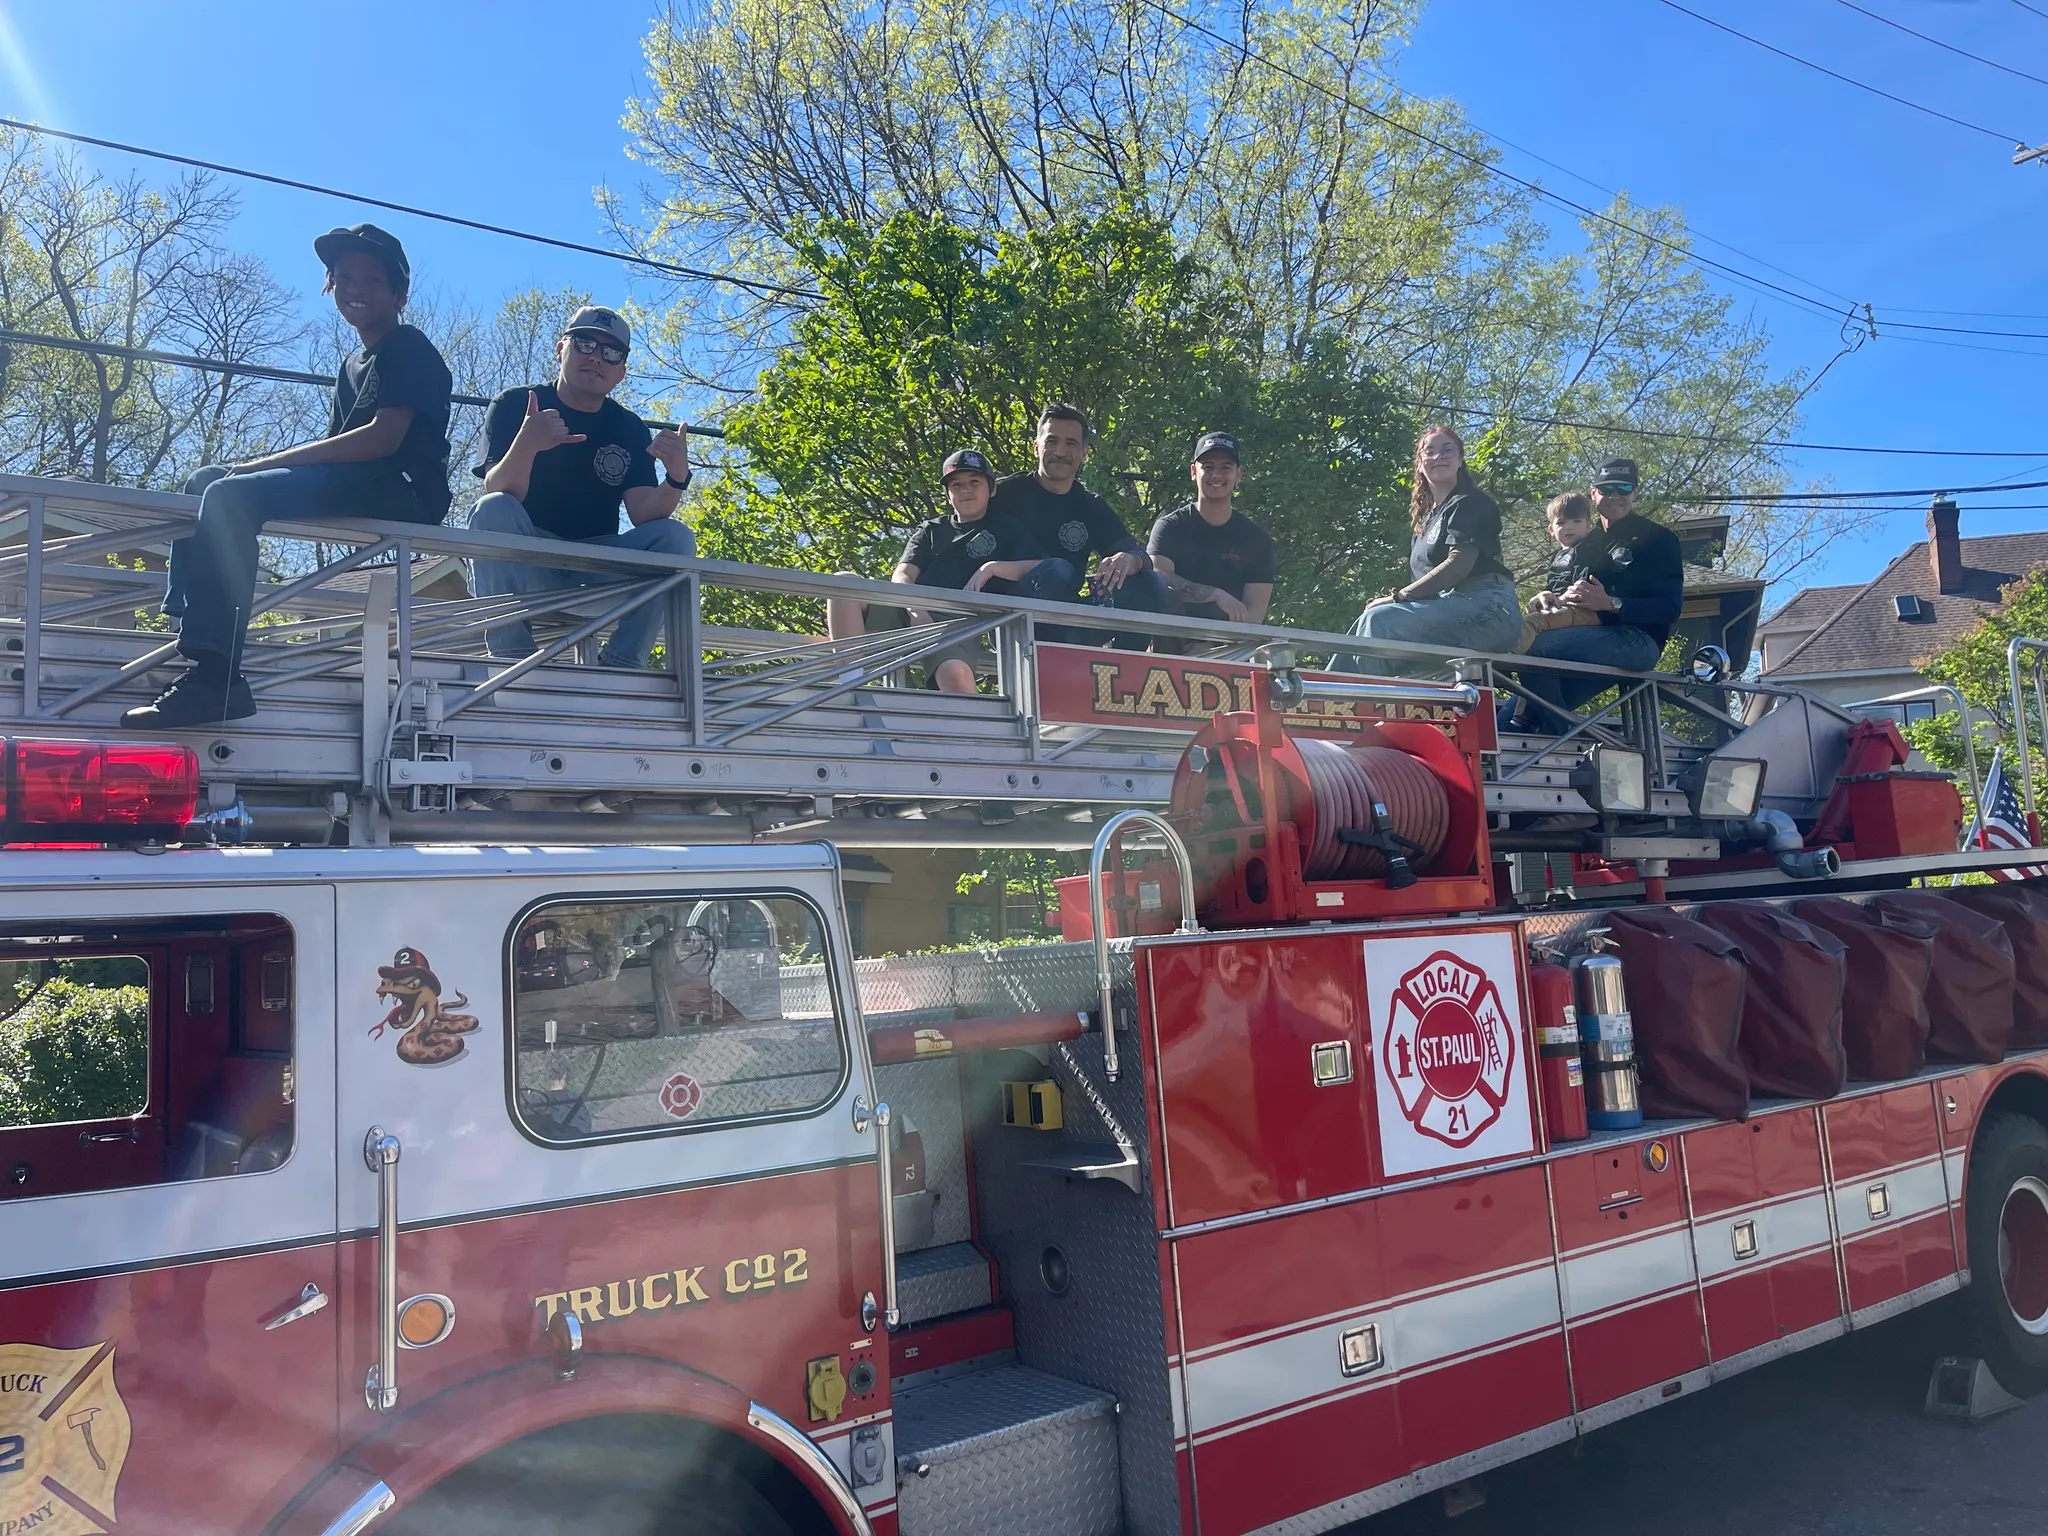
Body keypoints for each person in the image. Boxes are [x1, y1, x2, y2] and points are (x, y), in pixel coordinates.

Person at [124, 223, 452, 729]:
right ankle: (189, 614)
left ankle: (217, 678)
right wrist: (258, 468)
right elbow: (333, 452)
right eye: (344, 278)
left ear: (400, 293)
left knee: (232, 496)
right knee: (205, 480)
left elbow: (382, 439)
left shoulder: (407, 346)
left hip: (403, 486)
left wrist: (264, 464)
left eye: (372, 280)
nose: (356, 290)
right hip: (364, 479)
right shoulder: (352, 364)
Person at [466, 307, 697, 668]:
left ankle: (622, 665)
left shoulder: (629, 427)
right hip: (526, 567)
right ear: (561, 349)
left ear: (621, 371)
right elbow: (497, 494)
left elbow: (644, 514)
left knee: (677, 538)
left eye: (611, 352)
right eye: (585, 343)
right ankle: (512, 659)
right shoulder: (515, 404)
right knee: (492, 508)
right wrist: (527, 442)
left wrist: (676, 477)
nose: (596, 358)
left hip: (596, 572)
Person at [827, 449, 1076, 694]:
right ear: (948, 494)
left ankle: (980, 732)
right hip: (910, 608)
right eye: (956, 484)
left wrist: (993, 567)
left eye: (974, 482)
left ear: (992, 489)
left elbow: (1045, 566)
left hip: (959, 622)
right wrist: (916, 610)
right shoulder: (931, 529)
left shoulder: (1007, 528)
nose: (965, 489)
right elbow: (902, 575)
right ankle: (850, 687)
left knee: (954, 674)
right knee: (843, 584)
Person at [1510, 457, 1684, 727]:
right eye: (1606, 489)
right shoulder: (1582, 542)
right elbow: (1562, 590)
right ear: (1594, 494)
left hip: (1637, 639)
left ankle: (1561, 741)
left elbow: (1669, 608)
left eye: (1624, 489)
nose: (1615, 496)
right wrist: (1547, 597)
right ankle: (1556, 747)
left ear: (1636, 493)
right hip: (1577, 639)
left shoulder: (1659, 539)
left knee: (1535, 649)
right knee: (1507, 721)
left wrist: (1612, 603)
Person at [1334, 424, 1520, 672]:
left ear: (1460, 460)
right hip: (1448, 609)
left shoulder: (1470, 501)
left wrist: (1397, 597)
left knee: (1379, 622)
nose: (1438, 456)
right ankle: (1322, 702)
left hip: (1489, 608)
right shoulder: (1425, 522)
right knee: (1362, 628)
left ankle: (1367, 706)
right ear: (1420, 463)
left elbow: (1459, 565)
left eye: (1447, 450)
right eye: (1429, 451)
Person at [989, 403, 1170, 640]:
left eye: (1071, 443)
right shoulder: (1001, 494)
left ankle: (1121, 673)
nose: (1061, 451)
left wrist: (1129, 559)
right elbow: (957, 534)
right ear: (1036, 447)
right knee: (1058, 570)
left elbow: (1141, 556)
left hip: (1068, 625)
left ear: (1084, 452)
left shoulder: (1090, 506)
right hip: (1011, 621)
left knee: (1150, 585)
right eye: (1052, 441)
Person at [1147, 431, 1275, 625]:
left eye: (1226, 467)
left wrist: (1213, 644)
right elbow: (1157, 578)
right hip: (1170, 644)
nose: (1216, 475)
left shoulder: (1256, 539)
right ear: (1193, 472)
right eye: (1208, 467)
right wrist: (1215, 595)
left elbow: (1254, 615)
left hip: (1230, 650)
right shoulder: (1170, 527)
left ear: (1239, 474)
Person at [1516, 492, 1601, 654]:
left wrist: (1561, 599)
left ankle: (1508, 658)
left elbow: (1581, 587)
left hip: (1584, 611)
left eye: (1577, 521)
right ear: (1551, 530)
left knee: (1532, 622)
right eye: (1561, 522)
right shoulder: (1558, 557)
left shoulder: (1588, 550)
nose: (1568, 527)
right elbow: (1554, 585)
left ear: (1588, 525)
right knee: (1528, 609)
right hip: (1562, 607)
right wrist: (1546, 595)